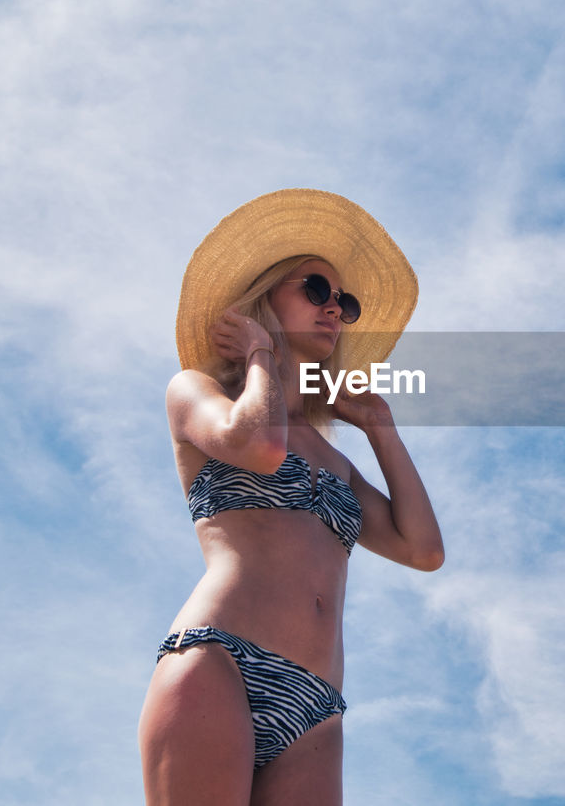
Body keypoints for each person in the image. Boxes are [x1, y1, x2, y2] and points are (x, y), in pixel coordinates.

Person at [138, 189, 444, 805]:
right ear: (265, 299)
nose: (335, 309)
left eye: (345, 302)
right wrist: (259, 352)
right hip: (219, 661)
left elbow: (424, 550)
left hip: (316, 705)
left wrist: (379, 426)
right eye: (316, 290)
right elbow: (258, 448)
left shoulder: (337, 460)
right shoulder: (195, 392)